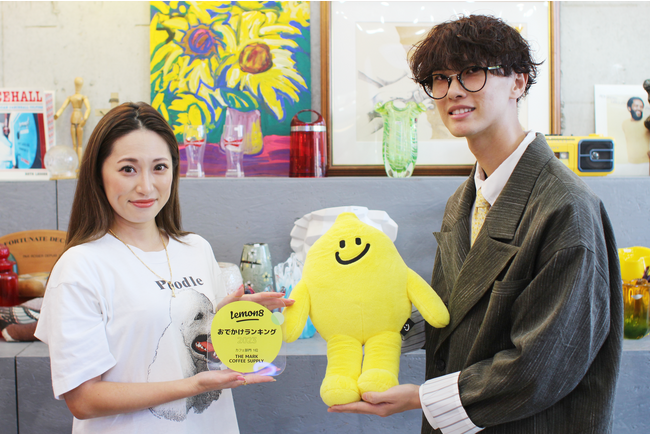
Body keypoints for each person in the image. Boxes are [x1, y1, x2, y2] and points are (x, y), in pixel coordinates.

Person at [329, 14, 623, 434]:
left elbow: (542, 365)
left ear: (518, 82)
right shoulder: (464, 200)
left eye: (471, 72)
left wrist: (421, 398)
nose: (452, 91)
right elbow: (454, 312)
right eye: (440, 78)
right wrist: (355, 320)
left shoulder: (566, 207)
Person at [34, 102, 292, 433]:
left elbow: (205, 349)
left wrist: (230, 318)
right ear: (98, 173)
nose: (146, 186)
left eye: (159, 167)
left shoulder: (197, 249)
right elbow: (84, 400)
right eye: (128, 169)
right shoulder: (80, 266)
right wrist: (192, 386)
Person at [54, 77, 91, 165]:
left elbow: (88, 108)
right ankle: (75, 165)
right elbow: (62, 107)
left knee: (79, 145)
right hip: (74, 119)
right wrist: (57, 114)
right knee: (75, 144)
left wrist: (85, 118)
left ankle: (80, 165)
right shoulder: (71, 97)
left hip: (80, 120)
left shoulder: (82, 97)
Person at [621, 96, 650, 165]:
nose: (639, 108)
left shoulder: (647, 122)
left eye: (641, 106)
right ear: (629, 108)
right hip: (630, 162)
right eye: (636, 106)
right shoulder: (625, 123)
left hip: (646, 162)